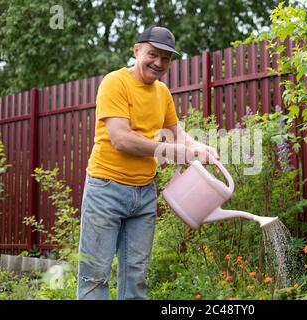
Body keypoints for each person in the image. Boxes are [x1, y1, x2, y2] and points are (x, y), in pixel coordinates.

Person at [77, 26, 217, 300]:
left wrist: (198, 147)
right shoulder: (115, 83)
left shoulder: (162, 92)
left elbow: (178, 134)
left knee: (136, 277)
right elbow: (121, 139)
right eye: (153, 54)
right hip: (106, 189)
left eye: (166, 58)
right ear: (137, 50)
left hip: (144, 194)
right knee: (95, 275)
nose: (158, 63)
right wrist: (174, 152)